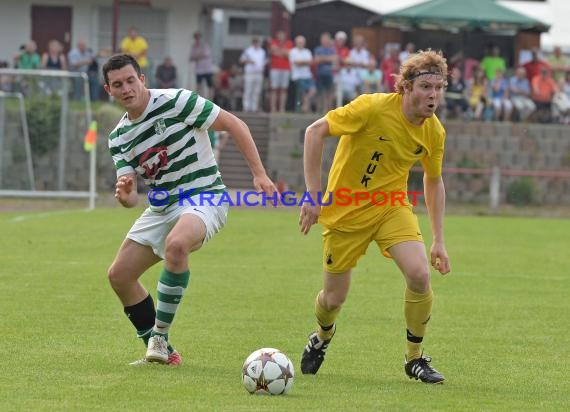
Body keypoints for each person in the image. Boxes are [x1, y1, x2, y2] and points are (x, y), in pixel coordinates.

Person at [102, 54, 278, 365]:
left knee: (178, 244)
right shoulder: (119, 138)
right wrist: (125, 195)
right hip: (162, 206)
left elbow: (234, 124)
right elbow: (130, 199)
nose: (126, 88)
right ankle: (162, 353)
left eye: (131, 80)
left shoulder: (177, 101)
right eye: (118, 84)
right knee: (119, 275)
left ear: (142, 80)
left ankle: (159, 337)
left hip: (205, 195)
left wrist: (259, 173)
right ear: (109, 90)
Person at [298, 49, 451, 384]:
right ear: (407, 87)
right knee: (332, 299)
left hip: (391, 206)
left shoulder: (434, 132)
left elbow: (433, 178)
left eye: (439, 88)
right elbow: (314, 132)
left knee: (419, 275)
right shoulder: (372, 107)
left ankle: (414, 358)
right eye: (426, 86)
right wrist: (312, 194)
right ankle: (322, 336)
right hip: (346, 211)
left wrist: (438, 239)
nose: (433, 95)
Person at [239, 37, 267, 112]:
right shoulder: (248, 51)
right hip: (250, 73)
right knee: (248, 90)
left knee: (257, 91)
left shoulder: (262, 51)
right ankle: (246, 107)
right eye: (255, 42)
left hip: (259, 73)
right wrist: (249, 61)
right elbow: (241, 60)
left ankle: (254, 108)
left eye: (257, 42)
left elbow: (264, 61)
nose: (256, 44)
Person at [189, 31, 215, 100]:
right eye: (196, 37)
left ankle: (211, 100)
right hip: (199, 70)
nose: (197, 39)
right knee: (199, 85)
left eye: (198, 37)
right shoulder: (193, 47)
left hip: (207, 69)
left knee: (210, 85)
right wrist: (198, 56)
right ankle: (200, 100)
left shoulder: (205, 45)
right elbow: (191, 58)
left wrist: (197, 56)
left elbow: (205, 55)